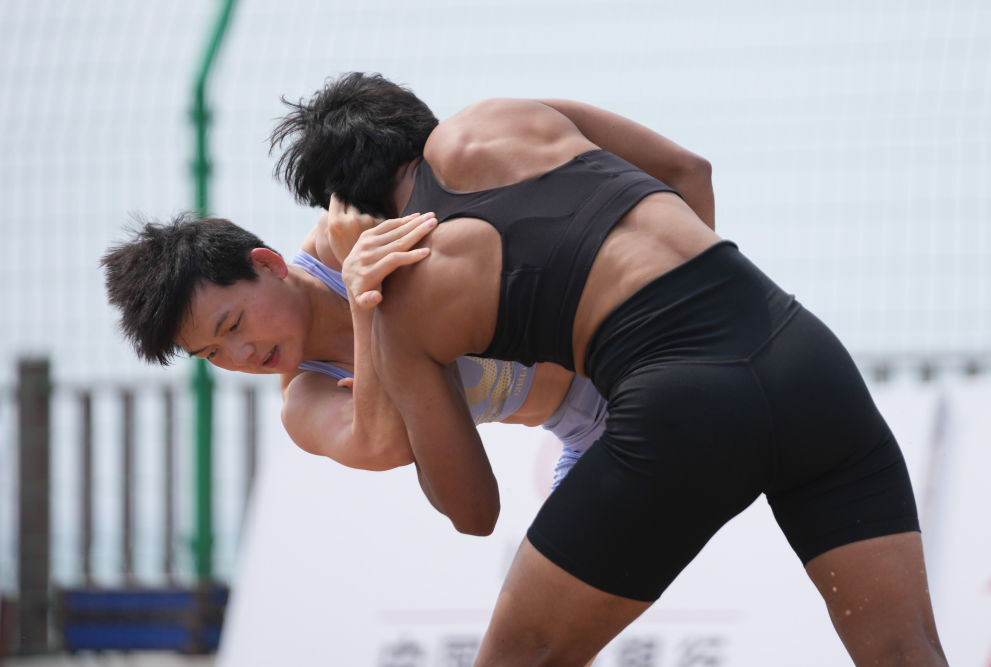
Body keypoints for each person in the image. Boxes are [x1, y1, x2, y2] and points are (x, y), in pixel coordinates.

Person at [271, 72, 948, 665]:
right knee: (905, 653)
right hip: (805, 357)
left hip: (682, 407)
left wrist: (371, 304)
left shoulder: (407, 298)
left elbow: (473, 510)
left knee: (517, 658)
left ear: (348, 212)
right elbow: (691, 171)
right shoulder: (510, 114)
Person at [101, 206, 605, 487]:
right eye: (212, 354)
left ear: (268, 264)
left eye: (233, 325)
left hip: (620, 340)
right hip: (590, 434)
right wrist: (366, 304)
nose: (240, 355)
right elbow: (387, 447)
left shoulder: (343, 233)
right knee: (539, 627)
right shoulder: (307, 400)